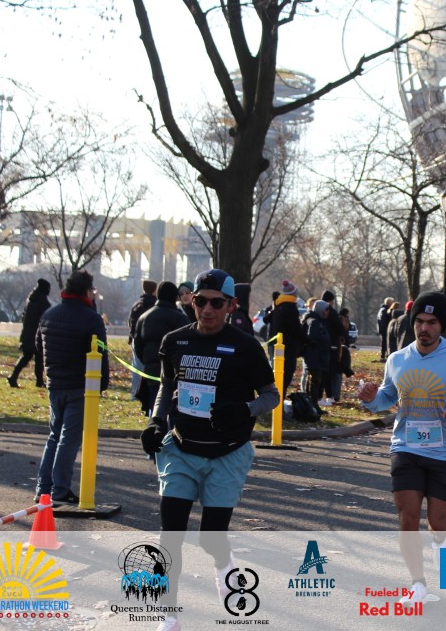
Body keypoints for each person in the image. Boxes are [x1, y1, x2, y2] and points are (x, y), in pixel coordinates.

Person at [141, 268, 278, 630]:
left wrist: (244, 410)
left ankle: (223, 563)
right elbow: (167, 384)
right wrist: (156, 421)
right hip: (181, 449)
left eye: (216, 303)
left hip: (227, 454)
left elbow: (271, 395)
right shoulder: (175, 341)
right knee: (170, 535)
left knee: (210, 539)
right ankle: (168, 615)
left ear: (231, 305)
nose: (207, 309)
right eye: (200, 301)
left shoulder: (245, 346)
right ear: (192, 301)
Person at [357, 291, 446, 606]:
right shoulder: (397, 359)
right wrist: (371, 399)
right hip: (407, 447)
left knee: (440, 523)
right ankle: (418, 584)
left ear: (441, 325)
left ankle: (441, 543)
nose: (424, 328)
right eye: (419, 321)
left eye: (431, 322)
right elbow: (387, 398)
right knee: (408, 516)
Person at [34, 270, 109, 505]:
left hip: (55, 383)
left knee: (54, 435)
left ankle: (43, 488)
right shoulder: (91, 319)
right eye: (92, 290)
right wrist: (102, 383)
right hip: (80, 385)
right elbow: (100, 353)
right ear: (86, 291)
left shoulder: (49, 314)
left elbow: (38, 345)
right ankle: (59, 489)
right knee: (69, 438)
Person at [132, 281, 189, 417]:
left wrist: (148, 362)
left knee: (156, 408)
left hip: (151, 370)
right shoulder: (180, 319)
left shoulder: (144, 317)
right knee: (174, 410)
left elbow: (138, 346)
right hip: (175, 373)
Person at [8, 278, 51, 388]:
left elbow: (24, 316)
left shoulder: (31, 299)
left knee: (27, 357)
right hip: (37, 334)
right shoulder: (43, 301)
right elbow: (47, 316)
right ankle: (38, 380)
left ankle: (14, 376)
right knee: (38, 358)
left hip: (27, 333)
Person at [268, 280, 306, 399]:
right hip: (289, 348)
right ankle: (279, 403)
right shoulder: (290, 308)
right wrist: (307, 340)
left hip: (278, 346)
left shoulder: (278, 306)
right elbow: (296, 328)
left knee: (279, 375)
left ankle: (277, 403)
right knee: (286, 375)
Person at [302, 300, 332, 408]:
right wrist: (324, 340)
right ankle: (312, 406)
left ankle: (313, 405)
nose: (327, 313)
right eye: (326, 310)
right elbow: (312, 337)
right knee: (314, 383)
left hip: (318, 357)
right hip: (315, 357)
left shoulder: (319, 321)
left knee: (315, 382)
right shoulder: (314, 321)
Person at [377, 296, 395, 361]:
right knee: (385, 343)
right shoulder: (386, 310)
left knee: (384, 342)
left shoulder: (381, 309)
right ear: (390, 303)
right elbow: (384, 321)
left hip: (382, 329)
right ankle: (383, 356)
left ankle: (383, 355)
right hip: (385, 329)